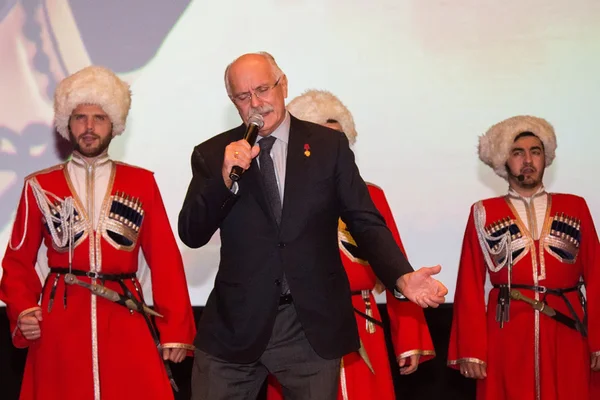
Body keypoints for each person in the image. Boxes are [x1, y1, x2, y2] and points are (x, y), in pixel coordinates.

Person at [178, 52, 447, 399]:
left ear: (283, 84)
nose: (256, 103)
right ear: (233, 101)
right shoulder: (214, 153)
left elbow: (364, 220)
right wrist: (223, 179)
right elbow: (192, 232)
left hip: (307, 327)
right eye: (244, 97)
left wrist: (401, 275)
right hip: (234, 326)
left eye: (262, 89)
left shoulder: (328, 147)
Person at [0, 65, 196, 400]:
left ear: (114, 125)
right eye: (80, 117)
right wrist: (22, 310)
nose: (89, 127)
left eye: (99, 118)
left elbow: (164, 259)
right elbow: (17, 262)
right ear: (67, 123)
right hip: (59, 323)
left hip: (126, 316)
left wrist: (175, 329)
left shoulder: (141, 183)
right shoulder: (39, 186)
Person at [265, 89, 435, 400]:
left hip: (363, 324)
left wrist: (409, 337)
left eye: (340, 141)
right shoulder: (275, 199)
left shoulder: (371, 196)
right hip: (299, 327)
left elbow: (395, 266)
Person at [447, 115, 600, 399]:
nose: (528, 160)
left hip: (568, 329)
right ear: (504, 161)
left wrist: (598, 342)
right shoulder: (483, 211)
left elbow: (597, 275)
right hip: (507, 331)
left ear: (546, 158)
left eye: (535, 151)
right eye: (518, 153)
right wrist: (471, 349)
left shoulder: (576, 206)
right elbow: (469, 283)